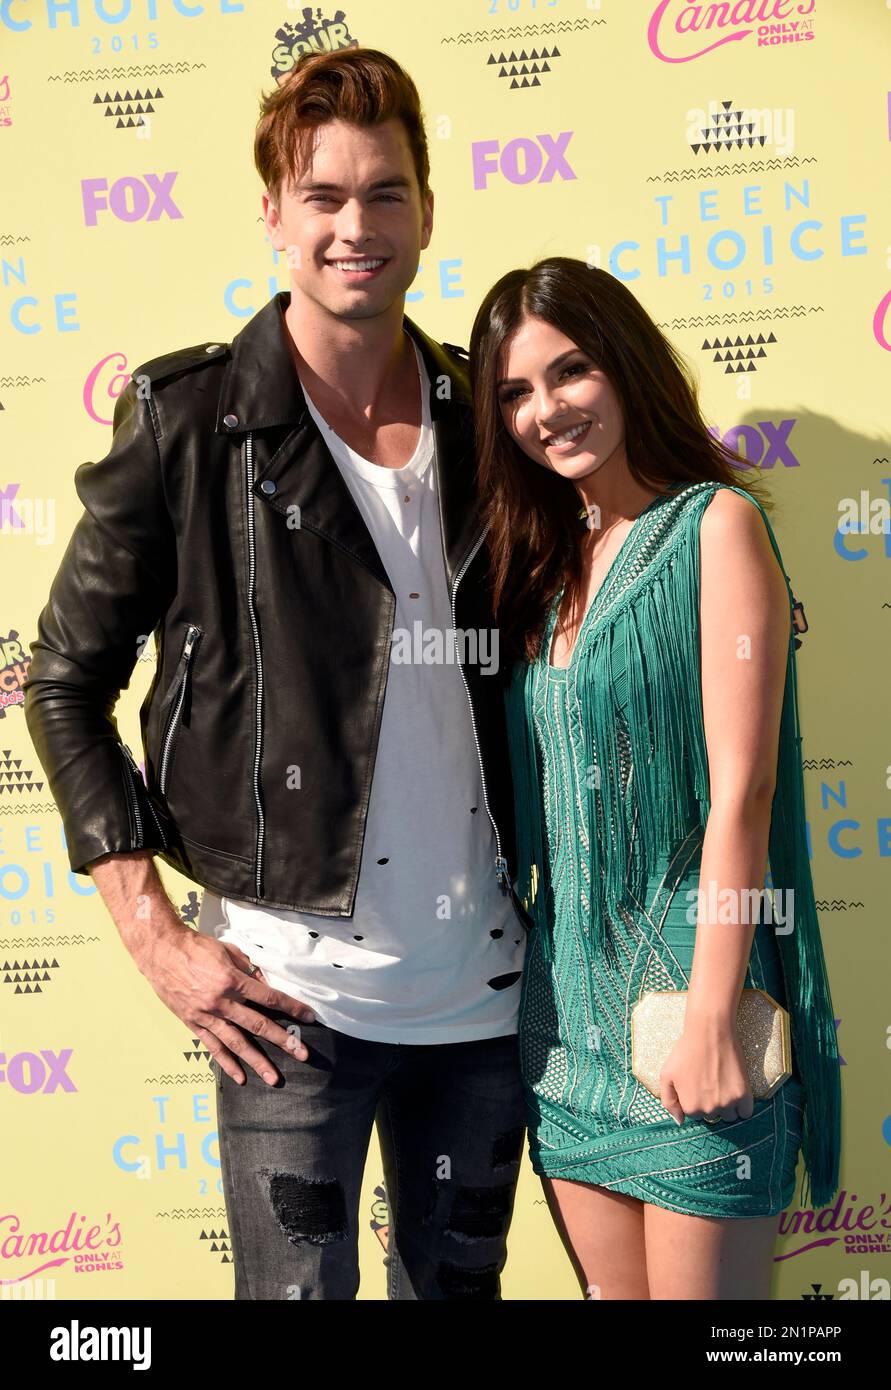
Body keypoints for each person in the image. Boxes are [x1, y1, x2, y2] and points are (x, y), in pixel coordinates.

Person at [23, 48, 529, 1301]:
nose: (358, 227)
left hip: (488, 995)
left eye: (387, 193)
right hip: (285, 1003)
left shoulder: (490, 422)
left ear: (427, 210)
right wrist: (153, 934)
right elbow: (63, 679)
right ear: (273, 214)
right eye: (325, 196)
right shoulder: (189, 421)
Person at [467, 256, 842, 1300]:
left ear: (625, 364)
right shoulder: (539, 564)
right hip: (564, 1027)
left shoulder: (715, 526)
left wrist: (714, 1012)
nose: (547, 410)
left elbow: (743, 792)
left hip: (689, 1007)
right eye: (516, 392)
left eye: (570, 370)